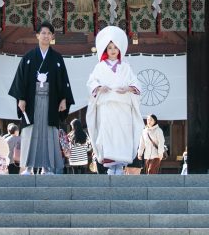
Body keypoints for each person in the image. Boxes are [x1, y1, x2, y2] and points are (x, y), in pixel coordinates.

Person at [8, 21, 75, 175]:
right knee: (31, 134)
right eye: (43, 33)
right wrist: (21, 98)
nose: (45, 36)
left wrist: (64, 99)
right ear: (37, 35)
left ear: (52, 36)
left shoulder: (57, 58)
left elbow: (64, 80)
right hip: (32, 100)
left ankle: (47, 167)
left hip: (51, 102)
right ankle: (28, 168)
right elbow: (20, 79)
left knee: (48, 134)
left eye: (48, 33)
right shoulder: (29, 57)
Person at [86, 25, 144, 175]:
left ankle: (120, 166)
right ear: (105, 50)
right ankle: (111, 167)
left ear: (119, 50)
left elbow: (136, 83)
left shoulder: (125, 66)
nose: (112, 50)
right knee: (108, 134)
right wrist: (99, 87)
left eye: (115, 47)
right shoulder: (100, 67)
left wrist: (128, 88)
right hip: (107, 106)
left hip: (123, 106)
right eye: (109, 47)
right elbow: (91, 82)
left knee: (122, 135)